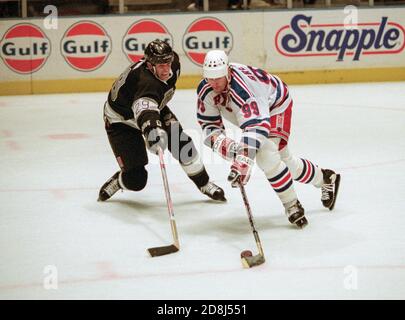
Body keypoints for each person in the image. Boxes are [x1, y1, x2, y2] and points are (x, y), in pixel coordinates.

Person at [196, 50, 340, 228]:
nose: (214, 82)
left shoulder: (244, 89)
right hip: (257, 113)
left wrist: (243, 159)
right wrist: (228, 147)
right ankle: (324, 178)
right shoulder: (206, 90)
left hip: (276, 104)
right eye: (209, 77)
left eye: (218, 77)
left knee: (266, 156)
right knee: (284, 161)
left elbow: (257, 126)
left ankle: (292, 205)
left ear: (227, 72)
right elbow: (209, 127)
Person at [98, 40, 226, 203]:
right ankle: (119, 180)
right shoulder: (145, 82)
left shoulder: (175, 64)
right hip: (120, 121)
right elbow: (145, 112)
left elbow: (153, 104)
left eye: (167, 62)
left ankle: (204, 183)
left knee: (181, 143)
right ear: (150, 65)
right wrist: (153, 131)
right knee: (137, 180)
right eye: (160, 65)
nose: (166, 69)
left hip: (154, 107)